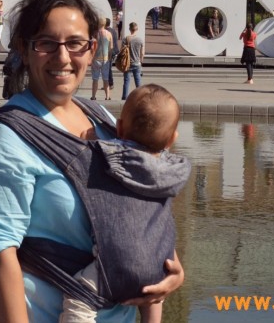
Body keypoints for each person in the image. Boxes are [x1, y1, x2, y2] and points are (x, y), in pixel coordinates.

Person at [0, 0, 184, 323]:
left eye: (75, 43)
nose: (62, 57)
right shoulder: (7, 136)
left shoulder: (101, 118)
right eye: (46, 43)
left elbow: (138, 210)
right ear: (23, 51)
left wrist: (170, 270)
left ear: (91, 50)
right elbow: (0, 252)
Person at [58, 84, 190, 323]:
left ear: (118, 127)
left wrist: (90, 141)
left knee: (79, 298)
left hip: (113, 264)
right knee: (154, 293)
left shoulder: (106, 157)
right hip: (157, 264)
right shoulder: (171, 173)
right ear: (172, 140)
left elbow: (89, 156)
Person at [120, 22, 144, 99]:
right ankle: (140, 97)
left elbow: (122, 51)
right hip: (137, 63)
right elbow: (142, 53)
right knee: (138, 82)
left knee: (126, 81)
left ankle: (124, 97)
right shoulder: (140, 40)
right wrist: (141, 61)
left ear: (129, 29)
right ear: (136, 29)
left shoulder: (125, 39)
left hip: (127, 63)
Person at [91, 18, 112, 101]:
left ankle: (93, 96)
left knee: (95, 79)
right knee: (106, 79)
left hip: (96, 58)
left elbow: (92, 47)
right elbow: (111, 47)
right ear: (105, 23)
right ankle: (107, 96)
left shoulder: (95, 33)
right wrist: (109, 57)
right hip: (105, 59)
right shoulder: (109, 34)